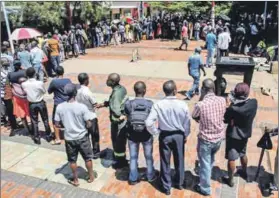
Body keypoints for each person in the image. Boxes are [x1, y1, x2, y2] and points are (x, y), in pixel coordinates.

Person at [145, 80, 191, 195]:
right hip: (178, 135)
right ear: (175, 90)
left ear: (164, 91)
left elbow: (148, 122)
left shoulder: (158, 105)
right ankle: (179, 183)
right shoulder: (183, 104)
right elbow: (187, 123)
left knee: (165, 161)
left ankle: (166, 187)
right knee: (179, 159)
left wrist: (156, 132)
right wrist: (185, 134)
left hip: (165, 135)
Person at [54, 83, 96, 187]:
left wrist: (65, 126)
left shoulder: (60, 107)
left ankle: (76, 180)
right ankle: (91, 176)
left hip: (69, 138)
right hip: (82, 137)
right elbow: (89, 123)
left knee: (72, 160)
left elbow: (56, 124)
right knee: (87, 158)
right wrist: (87, 125)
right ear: (75, 93)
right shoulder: (82, 107)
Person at [192, 78, 226, 196]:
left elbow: (194, 116)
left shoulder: (200, 105)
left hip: (206, 140)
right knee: (209, 160)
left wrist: (201, 97)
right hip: (219, 138)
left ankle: (205, 188)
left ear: (203, 89)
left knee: (205, 163)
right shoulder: (222, 100)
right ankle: (205, 175)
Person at [222, 83, 258, 187]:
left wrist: (228, 105)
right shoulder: (254, 103)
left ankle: (231, 179)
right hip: (245, 134)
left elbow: (226, 119)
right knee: (243, 153)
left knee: (231, 157)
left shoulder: (233, 109)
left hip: (233, 135)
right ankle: (244, 171)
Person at [124, 81, 157, 185]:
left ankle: (133, 178)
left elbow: (127, 115)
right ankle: (150, 176)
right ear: (145, 90)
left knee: (133, 157)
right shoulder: (150, 104)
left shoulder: (129, 104)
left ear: (134, 90)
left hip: (132, 135)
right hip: (146, 134)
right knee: (148, 156)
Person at [96, 73, 128, 169]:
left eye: (108, 79)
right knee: (120, 142)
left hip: (117, 123)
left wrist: (120, 116)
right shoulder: (121, 89)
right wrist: (104, 104)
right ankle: (120, 157)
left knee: (118, 142)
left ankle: (120, 161)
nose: (107, 81)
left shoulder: (116, 94)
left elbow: (116, 109)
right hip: (120, 122)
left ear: (113, 82)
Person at [22, 67, 53, 144]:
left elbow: (25, 92)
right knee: (45, 120)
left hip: (31, 104)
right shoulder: (39, 83)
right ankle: (48, 136)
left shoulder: (24, 84)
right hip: (40, 102)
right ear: (35, 74)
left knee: (34, 121)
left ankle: (36, 138)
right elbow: (43, 91)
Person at [76, 73, 100, 159]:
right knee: (94, 136)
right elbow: (95, 104)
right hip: (91, 116)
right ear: (86, 80)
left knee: (85, 135)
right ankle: (96, 153)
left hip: (82, 116)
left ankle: (87, 152)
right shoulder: (88, 92)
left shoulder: (77, 90)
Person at [48, 66, 72, 145]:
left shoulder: (54, 82)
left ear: (56, 73)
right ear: (63, 72)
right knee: (68, 119)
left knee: (56, 121)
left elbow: (49, 91)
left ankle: (57, 139)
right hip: (67, 102)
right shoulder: (68, 80)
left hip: (58, 103)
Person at [8, 61, 31, 134]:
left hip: (17, 97)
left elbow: (8, 85)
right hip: (26, 96)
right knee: (30, 113)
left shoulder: (10, 74)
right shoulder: (24, 72)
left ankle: (27, 129)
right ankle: (33, 128)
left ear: (13, 65)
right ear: (20, 65)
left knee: (22, 115)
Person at [1, 57, 17, 135]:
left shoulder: (9, 71)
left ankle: (13, 123)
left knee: (11, 109)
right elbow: (5, 83)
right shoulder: (2, 73)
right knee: (9, 110)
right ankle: (13, 126)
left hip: (9, 93)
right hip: (5, 94)